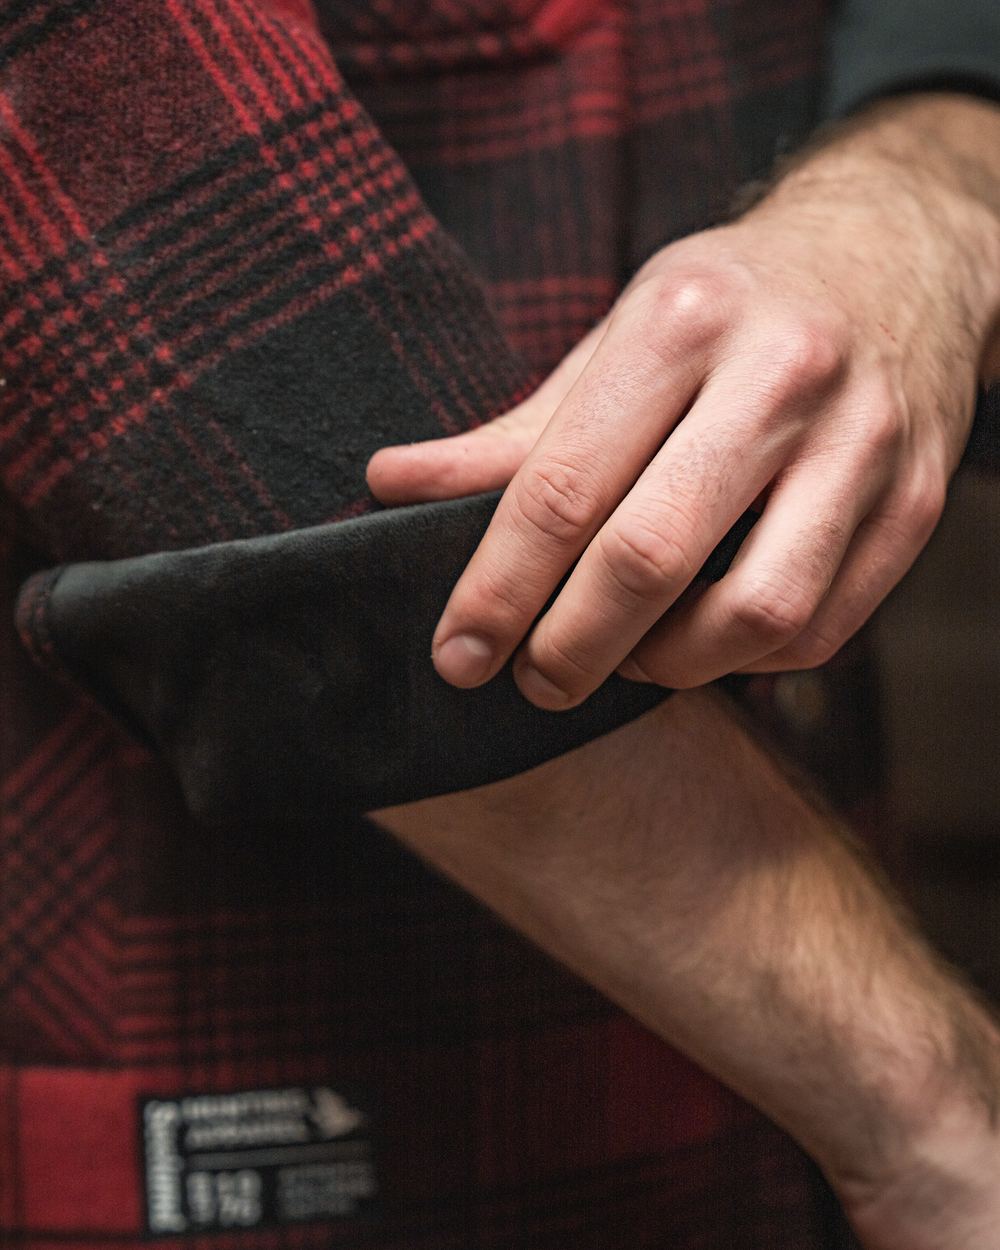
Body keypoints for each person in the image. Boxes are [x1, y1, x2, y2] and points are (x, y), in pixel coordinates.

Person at [1, 3, 998, 1248]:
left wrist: (919, 196)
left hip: (799, 1020)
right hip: (270, 1042)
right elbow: (113, 169)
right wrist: (931, 1103)